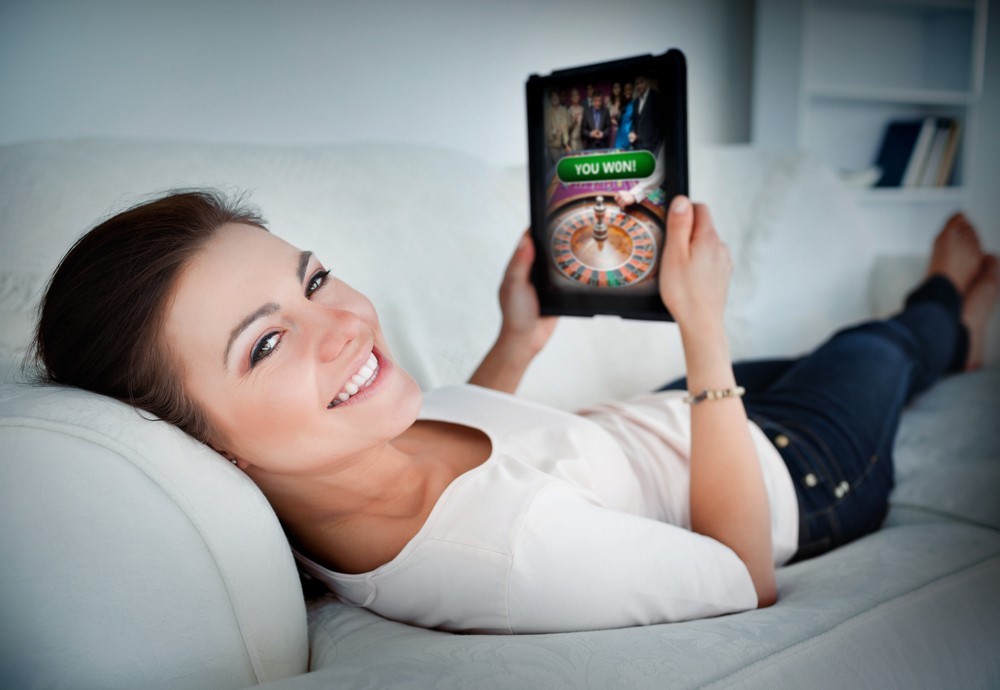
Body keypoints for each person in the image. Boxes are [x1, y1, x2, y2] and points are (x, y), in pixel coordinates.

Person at [33, 190, 999, 633]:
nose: (343, 323)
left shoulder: (350, 454)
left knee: (833, 351)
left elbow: (484, 442)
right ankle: (946, 310)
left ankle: (942, 325)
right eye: (268, 343)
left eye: (315, 276)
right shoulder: (513, 561)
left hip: (663, 420)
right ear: (201, 448)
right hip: (790, 471)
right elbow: (741, 579)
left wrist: (520, 336)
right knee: (879, 348)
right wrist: (701, 330)